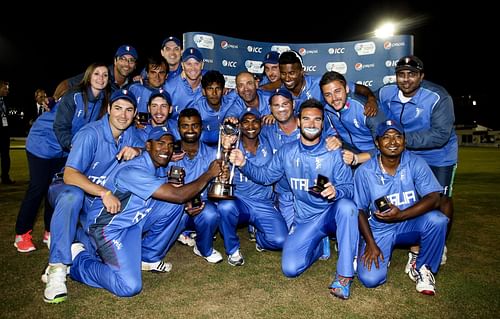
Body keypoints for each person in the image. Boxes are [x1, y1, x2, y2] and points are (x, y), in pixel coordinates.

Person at [68, 126, 223, 298]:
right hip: (108, 229)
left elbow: (177, 197)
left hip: (132, 222)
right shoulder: (133, 170)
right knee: (129, 286)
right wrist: (209, 174)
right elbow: (178, 195)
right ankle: (79, 260)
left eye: (171, 145)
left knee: (175, 205)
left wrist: (187, 202)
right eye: (161, 143)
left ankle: (148, 256)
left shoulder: (158, 165)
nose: (166, 149)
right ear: (148, 146)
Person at [229, 99, 358, 299]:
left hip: (331, 214)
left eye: (317, 120)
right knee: (290, 268)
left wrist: (337, 192)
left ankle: (344, 276)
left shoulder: (334, 152)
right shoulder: (287, 152)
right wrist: (244, 163)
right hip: (305, 219)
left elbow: (349, 189)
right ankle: (317, 245)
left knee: (347, 206)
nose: (312, 124)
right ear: (298, 122)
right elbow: (266, 177)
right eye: (306, 119)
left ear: (323, 123)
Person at [43, 89, 143, 303]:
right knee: (73, 197)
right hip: (68, 186)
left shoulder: (131, 134)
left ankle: (70, 243)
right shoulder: (91, 133)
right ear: (108, 109)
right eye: (117, 108)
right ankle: (57, 269)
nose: (122, 115)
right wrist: (104, 192)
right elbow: (70, 174)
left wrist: (138, 150)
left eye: (128, 110)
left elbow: (155, 146)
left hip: (95, 200)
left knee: (96, 245)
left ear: (135, 114)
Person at [377, 55, 457, 267]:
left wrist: (401, 140)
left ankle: (439, 243)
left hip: (439, 155)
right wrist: (367, 97)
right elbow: (369, 98)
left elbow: (440, 135)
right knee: (413, 198)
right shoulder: (386, 92)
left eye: (411, 74)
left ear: (421, 76)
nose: (406, 80)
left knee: (440, 199)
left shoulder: (438, 96)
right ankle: (416, 242)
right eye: (401, 75)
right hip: (407, 152)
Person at [354, 120, 448, 296]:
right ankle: (379, 250)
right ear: (377, 142)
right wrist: (371, 243)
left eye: (398, 136)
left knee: (438, 219)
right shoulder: (364, 171)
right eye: (386, 137)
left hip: (409, 223)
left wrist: (401, 215)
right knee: (370, 279)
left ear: (404, 141)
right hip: (379, 229)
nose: (392, 142)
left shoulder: (415, 162)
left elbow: (434, 198)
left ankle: (422, 266)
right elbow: (359, 210)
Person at [218, 107, 288, 266]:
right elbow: (219, 163)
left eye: (255, 121)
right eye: (246, 122)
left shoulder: (268, 141)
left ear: (261, 124)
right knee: (225, 207)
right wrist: (225, 148)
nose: (250, 126)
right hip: (239, 200)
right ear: (240, 125)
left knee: (280, 240)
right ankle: (233, 250)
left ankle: (260, 238)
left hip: (264, 202)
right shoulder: (232, 143)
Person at [168, 108, 223, 263]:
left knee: (211, 213)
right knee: (157, 251)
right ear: (178, 129)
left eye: (195, 125)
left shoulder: (213, 153)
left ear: (201, 127)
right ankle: (184, 232)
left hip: (202, 206)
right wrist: (184, 201)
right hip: (174, 208)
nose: (190, 130)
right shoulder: (170, 153)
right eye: (185, 126)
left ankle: (202, 247)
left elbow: (218, 188)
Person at [14, 97, 65, 253]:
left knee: (55, 188)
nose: (101, 79)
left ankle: (49, 230)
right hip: (41, 145)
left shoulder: (100, 101)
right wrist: (52, 99)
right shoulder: (74, 95)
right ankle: (22, 233)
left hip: (62, 149)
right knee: (38, 187)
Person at [320, 71, 387, 167]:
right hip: (349, 151)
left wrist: (357, 158)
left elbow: (388, 148)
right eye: (328, 95)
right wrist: (336, 139)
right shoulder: (327, 109)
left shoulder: (366, 110)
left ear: (347, 89)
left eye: (337, 91)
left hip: (374, 156)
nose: (334, 98)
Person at [53, 62, 110, 152]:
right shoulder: (74, 95)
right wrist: (73, 145)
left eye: (105, 75)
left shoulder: (104, 102)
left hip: (72, 149)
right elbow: (60, 127)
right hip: (47, 143)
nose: (101, 78)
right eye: (96, 73)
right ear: (88, 77)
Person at [52, 45, 138, 100]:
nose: (127, 64)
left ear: (135, 65)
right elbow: (66, 84)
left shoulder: (133, 83)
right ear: (115, 61)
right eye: (122, 59)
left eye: (131, 61)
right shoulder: (100, 73)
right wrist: (53, 99)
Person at [0, 80, 14, 184]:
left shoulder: (5, 101)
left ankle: (5, 177)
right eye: (5, 88)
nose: (7, 91)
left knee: (5, 156)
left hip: (4, 133)